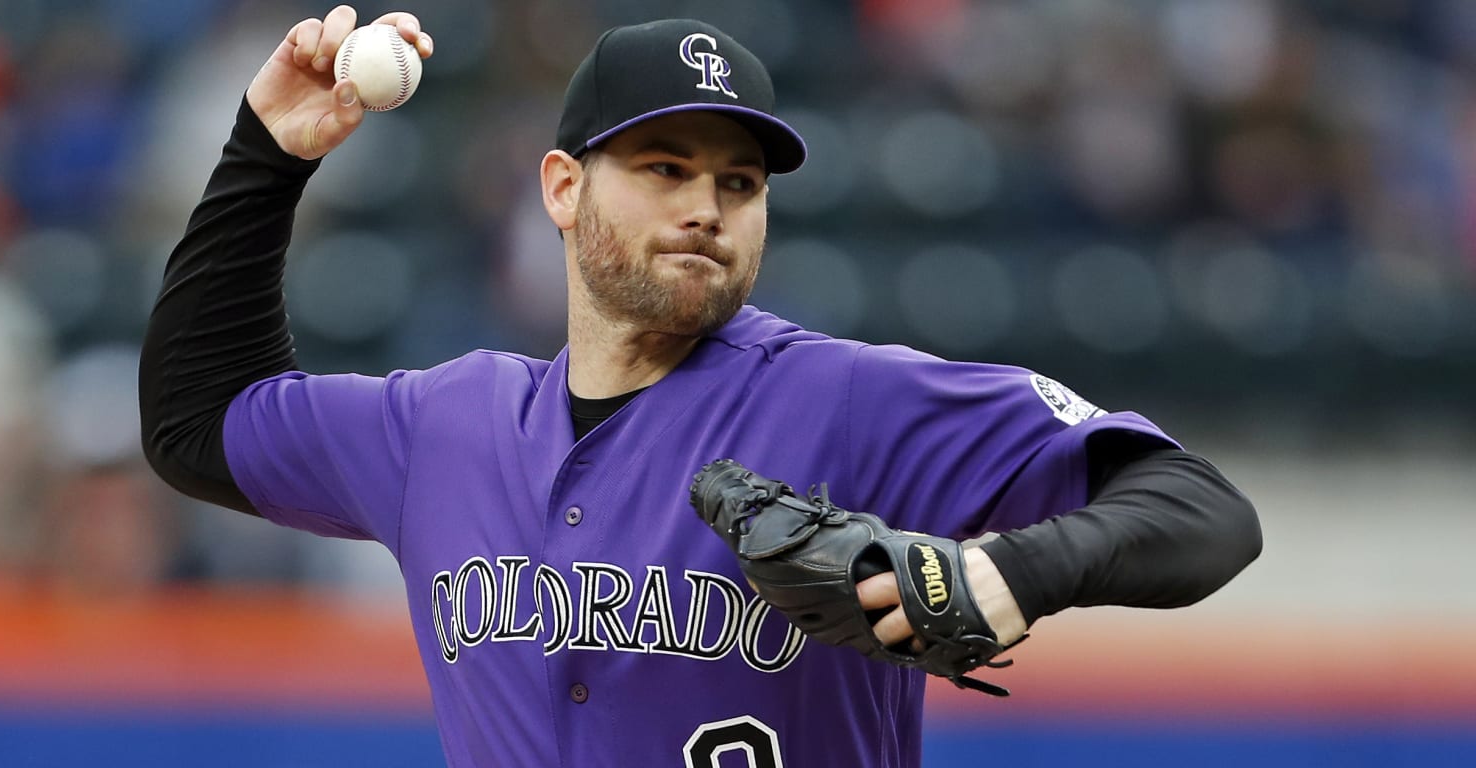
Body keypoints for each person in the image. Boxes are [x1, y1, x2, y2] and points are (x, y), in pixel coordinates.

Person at [140, 7, 1262, 766]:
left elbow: (1204, 513)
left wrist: (1002, 572)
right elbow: (197, 424)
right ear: (564, 189)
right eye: (664, 168)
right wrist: (268, 155)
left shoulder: (855, 403)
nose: (706, 207)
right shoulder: (444, 423)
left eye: (739, 179)